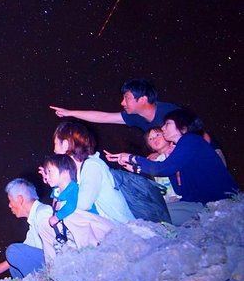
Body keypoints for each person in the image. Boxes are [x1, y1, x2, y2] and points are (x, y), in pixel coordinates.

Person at [105, 109, 238, 224]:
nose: (163, 128)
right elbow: (179, 189)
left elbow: (163, 169)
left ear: (183, 127)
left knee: (150, 213)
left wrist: (131, 158)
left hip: (220, 204)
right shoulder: (179, 152)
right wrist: (136, 168)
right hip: (199, 205)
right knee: (150, 211)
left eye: (167, 124)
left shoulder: (191, 140)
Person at [40, 121, 134, 223]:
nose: (54, 150)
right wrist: (53, 179)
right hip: (108, 228)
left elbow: (83, 204)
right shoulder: (77, 172)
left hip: (123, 228)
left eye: (55, 143)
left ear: (66, 145)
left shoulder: (92, 166)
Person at [0, 179, 52, 280]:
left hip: (54, 264)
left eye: (10, 200)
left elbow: (55, 248)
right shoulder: (34, 220)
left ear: (20, 199)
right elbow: (27, 250)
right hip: (47, 261)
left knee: (13, 251)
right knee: (14, 265)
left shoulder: (43, 213)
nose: (9, 205)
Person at [50, 78, 179, 132]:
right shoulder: (136, 117)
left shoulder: (171, 113)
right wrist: (69, 112)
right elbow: (104, 117)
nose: (122, 103)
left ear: (143, 99)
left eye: (127, 98)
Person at [43, 154, 97, 229]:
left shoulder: (73, 187)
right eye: (46, 173)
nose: (46, 177)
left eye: (49, 171)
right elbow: (55, 205)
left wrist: (57, 217)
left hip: (91, 222)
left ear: (65, 171)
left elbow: (71, 206)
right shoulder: (56, 190)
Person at [143, 127, 181, 203]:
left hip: (182, 197)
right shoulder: (153, 161)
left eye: (157, 135)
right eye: (150, 139)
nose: (154, 139)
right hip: (167, 200)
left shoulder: (177, 150)